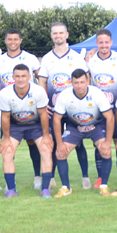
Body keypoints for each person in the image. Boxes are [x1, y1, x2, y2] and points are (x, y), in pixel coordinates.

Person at [38, 22, 90, 189]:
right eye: (55, 33)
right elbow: (42, 81)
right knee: (54, 142)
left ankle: (85, 177)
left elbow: (86, 80)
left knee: (78, 143)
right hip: (54, 110)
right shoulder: (47, 58)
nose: (58, 36)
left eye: (61, 33)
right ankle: (51, 178)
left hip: (74, 109)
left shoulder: (76, 57)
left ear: (67, 35)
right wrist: (43, 102)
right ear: (51, 36)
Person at [0, 28, 44, 189]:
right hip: (9, 110)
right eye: (9, 39)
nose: (12, 42)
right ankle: (11, 182)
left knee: (32, 143)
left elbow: (41, 78)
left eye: (15, 39)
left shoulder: (30, 58)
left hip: (29, 109)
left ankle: (38, 176)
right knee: (8, 145)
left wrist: (43, 98)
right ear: (5, 41)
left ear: (20, 40)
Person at [52, 69, 115, 197]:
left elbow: (110, 117)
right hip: (75, 128)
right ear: (71, 83)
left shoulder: (97, 93)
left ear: (87, 81)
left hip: (95, 127)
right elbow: (56, 119)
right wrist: (59, 143)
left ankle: (104, 186)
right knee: (60, 153)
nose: (79, 86)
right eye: (76, 83)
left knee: (106, 151)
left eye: (82, 82)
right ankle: (66, 188)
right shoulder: (64, 95)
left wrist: (108, 142)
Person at [0, 64, 53, 198]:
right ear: (13, 77)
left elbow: (43, 115)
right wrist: (6, 138)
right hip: (15, 125)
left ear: (29, 77)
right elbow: (5, 117)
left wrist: (46, 136)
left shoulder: (38, 91)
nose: (20, 79)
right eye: (17, 76)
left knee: (46, 149)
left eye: (23, 76)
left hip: (35, 124)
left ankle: (45, 189)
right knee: (7, 151)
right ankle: (11, 189)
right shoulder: (5, 93)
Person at [85, 28, 117, 188]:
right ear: (96, 43)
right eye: (100, 42)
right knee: (100, 143)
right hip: (97, 110)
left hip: (116, 108)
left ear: (111, 42)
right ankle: (100, 178)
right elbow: (87, 79)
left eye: (106, 42)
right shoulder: (90, 59)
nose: (104, 45)